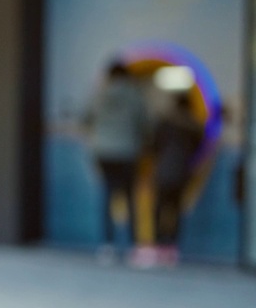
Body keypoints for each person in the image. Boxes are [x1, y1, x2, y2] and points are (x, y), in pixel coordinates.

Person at [85, 61, 149, 263]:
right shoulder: (135, 95)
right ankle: (133, 246)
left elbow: (86, 119)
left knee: (106, 196)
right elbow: (146, 124)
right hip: (128, 152)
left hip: (103, 152)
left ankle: (108, 246)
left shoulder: (99, 95)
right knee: (130, 198)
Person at [151, 93, 204, 266]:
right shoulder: (194, 126)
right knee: (176, 208)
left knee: (159, 207)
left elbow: (154, 145)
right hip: (183, 172)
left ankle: (158, 243)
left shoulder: (165, 123)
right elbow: (200, 147)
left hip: (163, 169)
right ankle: (172, 246)